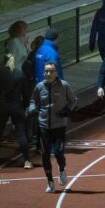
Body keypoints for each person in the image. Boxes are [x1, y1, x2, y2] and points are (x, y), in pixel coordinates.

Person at [29, 62, 78, 193]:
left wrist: (67, 110)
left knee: (57, 152)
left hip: (59, 126)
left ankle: (62, 168)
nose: (48, 74)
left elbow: (73, 100)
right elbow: (33, 101)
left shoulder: (64, 86)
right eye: (46, 71)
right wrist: (33, 109)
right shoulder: (39, 87)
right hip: (44, 126)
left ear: (56, 73)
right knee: (45, 155)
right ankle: (50, 182)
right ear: (43, 72)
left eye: (51, 71)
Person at [0, 54, 31, 169]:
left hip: (3, 105)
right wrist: (26, 107)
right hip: (17, 105)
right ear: (14, 61)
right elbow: (26, 93)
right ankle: (27, 161)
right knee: (21, 133)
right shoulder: (20, 74)